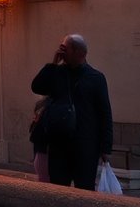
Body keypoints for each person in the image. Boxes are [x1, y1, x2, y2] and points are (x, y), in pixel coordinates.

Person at [29, 34, 113, 189]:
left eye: (65, 49)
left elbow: (105, 113)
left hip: (85, 145)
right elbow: (37, 86)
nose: (61, 51)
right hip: (59, 144)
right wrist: (53, 64)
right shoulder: (57, 73)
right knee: (59, 189)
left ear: (78, 52)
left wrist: (105, 148)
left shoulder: (96, 78)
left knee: (84, 189)